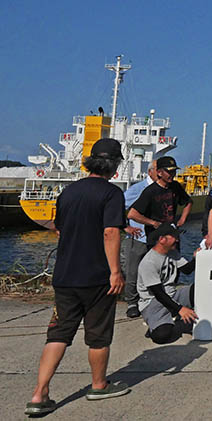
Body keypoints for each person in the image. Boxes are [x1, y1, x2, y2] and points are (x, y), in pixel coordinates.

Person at [26, 138, 130, 416]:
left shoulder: (68, 192)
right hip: (97, 277)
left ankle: (39, 393)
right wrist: (115, 271)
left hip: (65, 275)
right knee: (98, 335)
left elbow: (59, 228)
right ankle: (98, 385)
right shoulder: (112, 194)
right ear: (115, 165)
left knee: (58, 333)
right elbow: (111, 232)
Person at [136, 224, 197, 345]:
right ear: (162, 239)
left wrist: (196, 258)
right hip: (153, 302)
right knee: (161, 336)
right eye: (174, 237)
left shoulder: (172, 253)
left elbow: (187, 269)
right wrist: (180, 309)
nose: (177, 240)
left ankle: (171, 314)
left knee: (199, 288)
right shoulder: (149, 262)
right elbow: (158, 294)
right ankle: (155, 323)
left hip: (173, 294)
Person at [128, 156, 192, 244]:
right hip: (155, 238)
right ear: (159, 173)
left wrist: (182, 219)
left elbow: (188, 202)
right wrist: (153, 223)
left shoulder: (175, 186)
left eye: (174, 171)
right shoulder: (150, 191)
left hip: (172, 235)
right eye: (169, 171)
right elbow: (132, 214)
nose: (172, 174)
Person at [121, 163, 156, 318]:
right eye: (159, 169)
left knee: (153, 270)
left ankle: (150, 300)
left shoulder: (163, 189)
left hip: (155, 239)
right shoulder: (138, 189)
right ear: (150, 171)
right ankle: (132, 302)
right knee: (133, 271)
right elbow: (118, 206)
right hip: (138, 237)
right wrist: (125, 226)